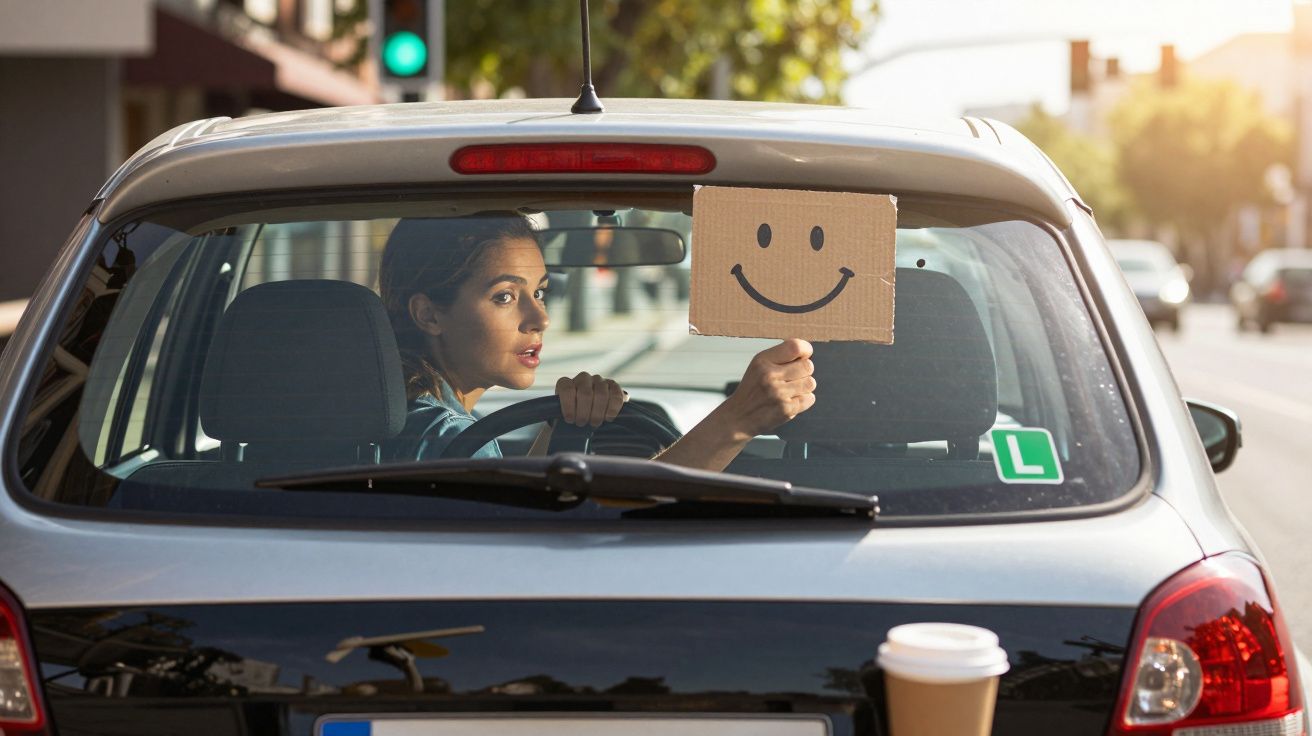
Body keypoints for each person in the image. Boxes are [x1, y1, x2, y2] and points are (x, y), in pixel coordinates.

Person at [378, 214, 815, 471]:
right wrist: (737, 420)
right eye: (505, 297)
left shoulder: (403, 421)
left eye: (540, 292)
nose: (541, 318)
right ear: (429, 313)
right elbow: (539, 556)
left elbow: (517, 522)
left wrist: (560, 426)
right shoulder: (445, 440)